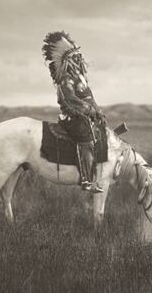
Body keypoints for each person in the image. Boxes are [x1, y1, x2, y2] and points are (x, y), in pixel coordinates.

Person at [42, 31, 106, 193]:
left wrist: (97, 111)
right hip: (73, 118)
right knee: (87, 140)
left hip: (85, 116)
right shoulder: (66, 80)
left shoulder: (81, 78)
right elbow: (71, 100)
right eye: (75, 56)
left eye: (79, 55)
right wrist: (89, 110)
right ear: (68, 61)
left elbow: (89, 97)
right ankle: (86, 180)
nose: (79, 58)